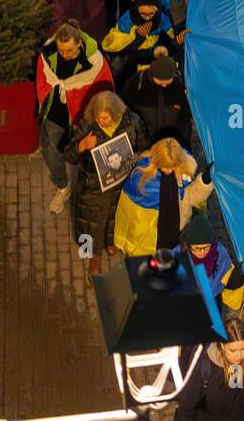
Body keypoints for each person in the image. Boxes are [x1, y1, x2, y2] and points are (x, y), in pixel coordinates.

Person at [36, 22, 114, 215]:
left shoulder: (95, 62)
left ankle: (92, 193)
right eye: (61, 50)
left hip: (83, 114)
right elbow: (43, 80)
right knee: (51, 151)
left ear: (79, 43)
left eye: (69, 50)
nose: (65, 55)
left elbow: (105, 89)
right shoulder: (48, 53)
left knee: (87, 156)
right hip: (57, 112)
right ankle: (63, 187)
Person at [64, 91, 143, 278]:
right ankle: (94, 257)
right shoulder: (87, 125)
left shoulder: (131, 122)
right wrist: (82, 145)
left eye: (105, 117)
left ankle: (110, 242)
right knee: (92, 224)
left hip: (120, 185)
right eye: (98, 117)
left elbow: (143, 144)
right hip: (93, 188)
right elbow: (69, 155)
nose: (101, 121)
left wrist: (137, 158)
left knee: (114, 218)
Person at [114, 138, 213, 255]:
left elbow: (190, 196)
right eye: (166, 166)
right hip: (152, 240)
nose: (170, 170)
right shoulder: (140, 180)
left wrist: (205, 181)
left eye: (173, 166)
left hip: (177, 232)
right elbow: (130, 216)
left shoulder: (183, 170)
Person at [172, 217, 244, 315]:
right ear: (188, 245)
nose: (202, 252)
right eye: (197, 248)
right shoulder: (177, 257)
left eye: (206, 247)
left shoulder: (220, 253)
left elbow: (225, 272)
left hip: (213, 297)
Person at [121, 55, 193, 149]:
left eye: (168, 81)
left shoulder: (181, 83)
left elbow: (189, 114)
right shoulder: (135, 84)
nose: (164, 85)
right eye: (160, 81)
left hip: (177, 141)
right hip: (148, 142)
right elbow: (125, 112)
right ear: (152, 74)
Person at [103, 0, 175, 83]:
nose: (147, 17)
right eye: (143, 14)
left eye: (151, 14)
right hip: (130, 57)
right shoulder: (127, 20)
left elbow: (168, 29)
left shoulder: (160, 17)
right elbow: (121, 48)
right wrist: (138, 37)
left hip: (150, 55)